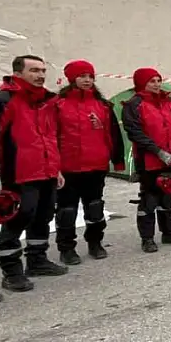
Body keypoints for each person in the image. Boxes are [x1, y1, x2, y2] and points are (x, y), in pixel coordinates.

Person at [0, 55, 68, 292]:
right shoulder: (4, 101)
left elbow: (51, 136)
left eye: (43, 70)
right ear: (18, 73)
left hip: (45, 172)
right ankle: (11, 271)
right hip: (17, 174)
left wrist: (56, 169)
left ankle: (37, 260)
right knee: (17, 219)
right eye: (34, 70)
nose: (40, 75)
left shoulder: (47, 101)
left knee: (43, 216)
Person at [54, 59, 125, 263]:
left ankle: (95, 242)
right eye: (82, 76)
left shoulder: (102, 105)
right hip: (68, 167)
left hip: (96, 165)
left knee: (95, 207)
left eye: (90, 76)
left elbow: (113, 133)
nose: (87, 80)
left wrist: (117, 160)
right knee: (67, 210)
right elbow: (51, 135)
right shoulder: (58, 105)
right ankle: (66, 248)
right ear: (71, 79)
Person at [121, 68, 171, 253]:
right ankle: (147, 238)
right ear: (141, 83)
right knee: (149, 199)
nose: (157, 84)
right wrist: (159, 152)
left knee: (168, 196)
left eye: (158, 80)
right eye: (152, 81)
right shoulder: (133, 104)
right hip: (149, 160)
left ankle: (168, 232)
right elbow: (135, 133)